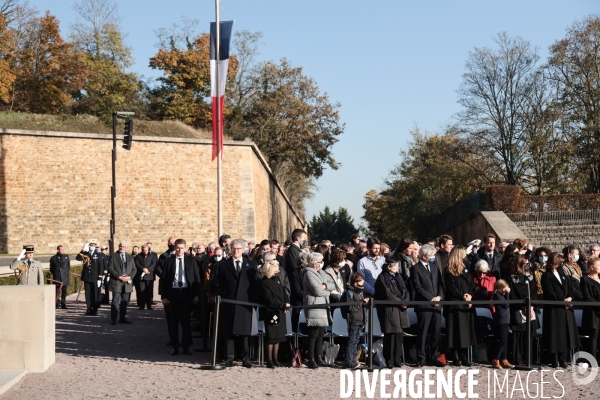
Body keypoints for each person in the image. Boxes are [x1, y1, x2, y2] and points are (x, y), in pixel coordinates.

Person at [217, 238, 257, 368]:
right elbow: (218, 283)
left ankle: (245, 357)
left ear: (243, 250)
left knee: (244, 331)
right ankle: (230, 357)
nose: (236, 251)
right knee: (229, 331)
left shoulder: (250, 265)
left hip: (245, 303)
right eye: (233, 249)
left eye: (238, 249)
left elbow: (254, 283)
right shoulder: (223, 265)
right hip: (229, 302)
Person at [160, 238, 201, 355]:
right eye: (177, 248)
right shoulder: (168, 261)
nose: (179, 250)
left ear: (185, 248)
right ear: (174, 247)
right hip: (173, 293)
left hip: (186, 293)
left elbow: (197, 278)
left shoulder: (191, 260)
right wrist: (164, 296)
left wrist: (196, 294)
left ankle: (186, 346)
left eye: (182, 248)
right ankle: (175, 346)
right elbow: (163, 280)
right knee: (173, 322)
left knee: (185, 322)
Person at [540, 252, 580, 368]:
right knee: (555, 335)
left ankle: (563, 360)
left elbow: (570, 288)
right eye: (559, 262)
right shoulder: (546, 276)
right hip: (554, 310)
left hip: (566, 309)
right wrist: (563, 300)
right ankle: (554, 360)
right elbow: (549, 293)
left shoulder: (563, 273)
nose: (561, 264)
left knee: (565, 335)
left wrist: (570, 298)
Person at [409, 244, 444, 367]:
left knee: (436, 332)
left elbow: (440, 283)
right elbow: (417, 287)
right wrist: (431, 298)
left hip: (436, 305)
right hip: (424, 305)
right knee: (422, 333)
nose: (433, 257)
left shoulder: (434, 267)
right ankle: (421, 358)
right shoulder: (415, 269)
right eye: (431, 255)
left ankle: (434, 357)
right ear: (424, 256)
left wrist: (439, 297)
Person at [443, 245, 476, 367]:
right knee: (455, 331)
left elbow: (472, 284)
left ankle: (464, 355)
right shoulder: (448, 270)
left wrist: (470, 295)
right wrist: (463, 295)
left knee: (465, 332)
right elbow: (450, 288)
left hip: (466, 305)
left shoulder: (466, 268)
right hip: (455, 304)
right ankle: (455, 354)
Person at [375, 256, 410, 368]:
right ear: (389, 267)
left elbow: (405, 290)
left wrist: (405, 301)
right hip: (389, 310)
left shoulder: (398, 276)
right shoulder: (381, 278)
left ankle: (397, 359)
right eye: (396, 266)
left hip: (400, 310)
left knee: (399, 335)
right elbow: (387, 294)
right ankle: (389, 359)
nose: (398, 268)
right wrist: (400, 302)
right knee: (390, 335)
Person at [303, 252, 333, 369]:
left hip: (323, 305)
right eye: (320, 261)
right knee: (313, 333)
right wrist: (326, 290)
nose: (322, 263)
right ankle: (311, 359)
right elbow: (317, 291)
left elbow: (332, 284)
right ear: (315, 263)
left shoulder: (322, 272)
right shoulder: (308, 274)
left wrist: (325, 286)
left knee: (321, 333)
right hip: (314, 306)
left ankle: (319, 357)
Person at [507, 255, 539, 366]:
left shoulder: (529, 277)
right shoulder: (511, 278)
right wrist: (523, 304)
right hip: (518, 310)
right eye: (525, 264)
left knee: (530, 336)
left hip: (530, 310)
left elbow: (534, 292)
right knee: (519, 337)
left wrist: (531, 305)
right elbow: (511, 295)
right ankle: (518, 360)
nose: (527, 266)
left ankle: (530, 359)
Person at [259, 259, 290, 368]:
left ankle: (276, 359)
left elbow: (283, 292)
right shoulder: (264, 282)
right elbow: (269, 299)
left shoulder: (277, 280)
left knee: (278, 337)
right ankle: (269, 360)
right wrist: (282, 305)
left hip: (280, 311)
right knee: (271, 337)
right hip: (271, 312)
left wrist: (286, 302)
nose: (278, 271)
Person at [341, 272, 368, 369]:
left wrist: (365, 304)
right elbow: (350, 307)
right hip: (353, 319)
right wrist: (361, 302)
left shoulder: (360, 292)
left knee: (356, 340)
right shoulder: (349, 293)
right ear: (355, 283)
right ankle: (349, 360)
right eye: (361, 284)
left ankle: (353, 359)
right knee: (352, 340)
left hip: (361, 319)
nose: (362, 286)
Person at [107, 240, 137, 325]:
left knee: (125, 301)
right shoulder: (113, 256)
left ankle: (122, 318)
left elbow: (134, 269)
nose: (121, 248)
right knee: (115, 301)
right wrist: (119, 277)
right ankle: (113, 319)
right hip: (117, 281)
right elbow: (110, 268)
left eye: (123, 246)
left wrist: (129, 277)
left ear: (126, 247)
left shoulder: (130, 257)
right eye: (120, 246)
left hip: (127, 283)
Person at [76, 239, 107, 315]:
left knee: (95, 294)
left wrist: (100, 278)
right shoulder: (85, 254)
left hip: (95, 278)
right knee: (88, 294)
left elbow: (101, 267)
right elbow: (78, 258)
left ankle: (95, 309)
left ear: (95, 246)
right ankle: (88, 309)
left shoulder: (98, 255)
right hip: (87, 277)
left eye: (93, 245)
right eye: (90, 245)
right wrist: (83, 249)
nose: (92, 247)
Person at [581, 256, 600, 362]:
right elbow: (587, 297)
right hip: (592, 311)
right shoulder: (585, 279)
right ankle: (592, 359)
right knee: (594, 334)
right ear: (591, 267)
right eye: (598, 265)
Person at [491, 279, 514, 369]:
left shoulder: (503, 295)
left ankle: (504, 359)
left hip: (506, 320)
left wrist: (506, 294)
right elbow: (506, 305)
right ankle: (496, 359)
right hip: (500, 321)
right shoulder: (497, 295)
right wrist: (507, 293)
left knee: (505, 340)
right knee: (502, 341)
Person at [289, 252, 308, 333]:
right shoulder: (295, 274)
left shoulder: (313, 272)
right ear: (303, 263)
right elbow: (297, 290)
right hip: (299, 301)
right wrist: (308, 296)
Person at [134, 244, 156, 310]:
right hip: (141, 276)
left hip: (149, 275)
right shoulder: (138, 256)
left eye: (146, 250)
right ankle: (142, 305)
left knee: (149, 291)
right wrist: (143, 269)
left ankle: (149, 305)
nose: (145, 251)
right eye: (144, 250)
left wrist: (148, 269)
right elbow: (137, 264)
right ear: (142, 250)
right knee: (141, 291)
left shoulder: (152, 256)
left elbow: (153, 264)